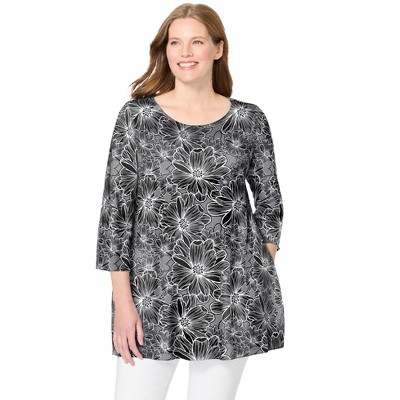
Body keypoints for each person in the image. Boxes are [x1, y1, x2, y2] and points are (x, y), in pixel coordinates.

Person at [96, 3, 285, 399]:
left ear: (218, 48)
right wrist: (123, 303)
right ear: (164, 50)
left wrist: (256, 268)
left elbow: (269, 202)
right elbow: (116, 214)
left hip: (230, 295)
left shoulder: (249, 120)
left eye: (197, 42)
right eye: (175, 43)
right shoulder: (137, 117)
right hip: (151, 292)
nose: (185, 52)